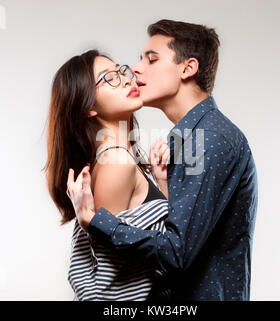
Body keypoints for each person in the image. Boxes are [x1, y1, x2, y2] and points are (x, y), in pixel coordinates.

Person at [67, 19, 258, 301]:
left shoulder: (209, 139)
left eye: (151, 59)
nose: (135, 69)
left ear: (187, 68)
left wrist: (96, 222)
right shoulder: (184, 139)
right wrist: (166, 187)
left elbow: (175, 253)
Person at [44, 49, 172, 300]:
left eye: (120, 70)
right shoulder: (117, 164)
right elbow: (114, 285)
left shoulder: (120, 159)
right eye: (109, 77)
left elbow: (144, 245)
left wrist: (162, 183)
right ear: (89, 106)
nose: (126, 78)